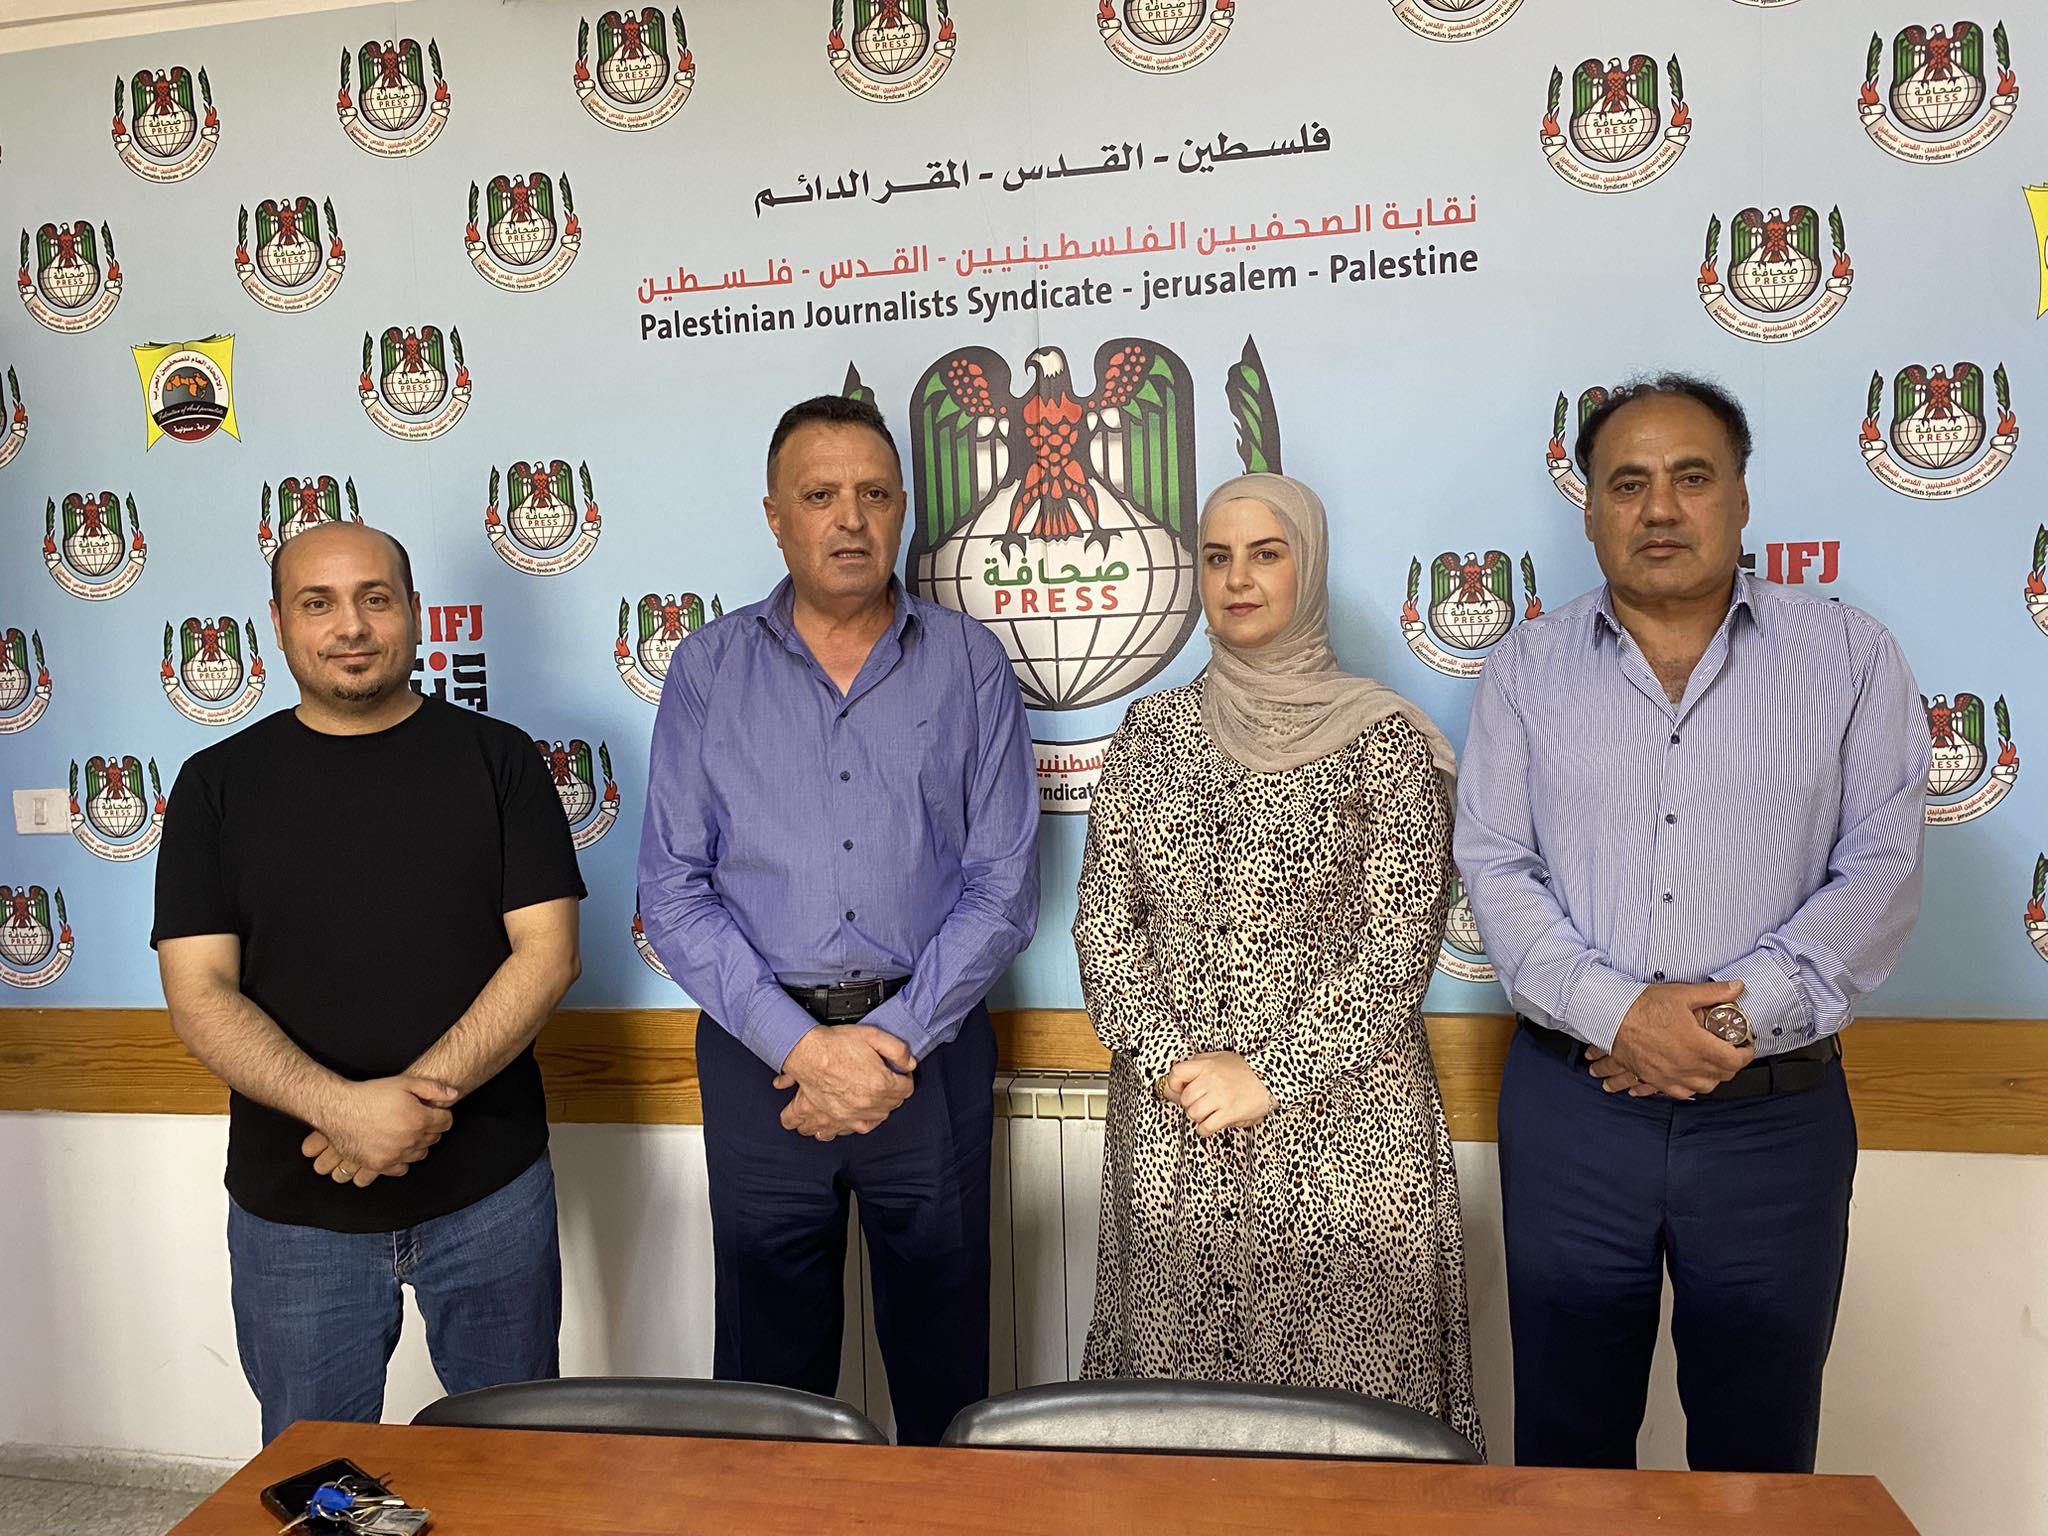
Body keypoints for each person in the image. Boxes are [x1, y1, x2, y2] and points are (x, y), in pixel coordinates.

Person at [1456, 375, 1927, 1473]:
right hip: (1573, 1115)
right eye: (1627, 484)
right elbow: (1496, 866)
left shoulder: (1850, 659)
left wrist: (1723, 1024)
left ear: (1741, 497)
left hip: (1773, 1119)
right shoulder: (1524, 671)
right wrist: (1620, 1015)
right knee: (1566, 1451)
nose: (1658, 507)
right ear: (1588, 511)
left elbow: (1879, 870)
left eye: (1690, 477)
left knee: (1758, 1457)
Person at [637, 394, 1039, 1445]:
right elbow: (671, 892)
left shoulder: (969, 663)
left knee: (946, 1377)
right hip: (759, 1062)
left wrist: (885, 1045)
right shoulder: (708, 668)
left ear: (903, 509)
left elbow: (1002, 887)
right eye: (819, 496)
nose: (849, 519)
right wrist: (804, 1050)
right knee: (768, 1388)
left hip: (928, 1054)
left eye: (873, 494)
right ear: (776, 518)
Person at [1072, 472, 1483, 1453]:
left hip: (1345, 1141)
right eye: (1216, 558)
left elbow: (1397, 948)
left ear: (1310, 566)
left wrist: (1268, 1073)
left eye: (1266, 554)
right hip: (1178, 1133)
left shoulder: (1381, 740)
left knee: (1350, 1441)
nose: (1237, 579)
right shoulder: (1149, 734)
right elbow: (1102, 927)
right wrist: (1175, 1062)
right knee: (1181, 1439)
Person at [153, 522, 585, 1443]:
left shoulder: (500, 759)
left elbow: (548, 955)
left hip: (491, 1191)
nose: (350, 626)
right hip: (295, 1211)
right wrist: (342, 1110)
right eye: (318, 603)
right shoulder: (214, 786)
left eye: (374, 598)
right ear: (278, 623)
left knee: (522, 1465)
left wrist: (408, 1106)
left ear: (414, 612)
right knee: (318, 1479)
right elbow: (199, 991)